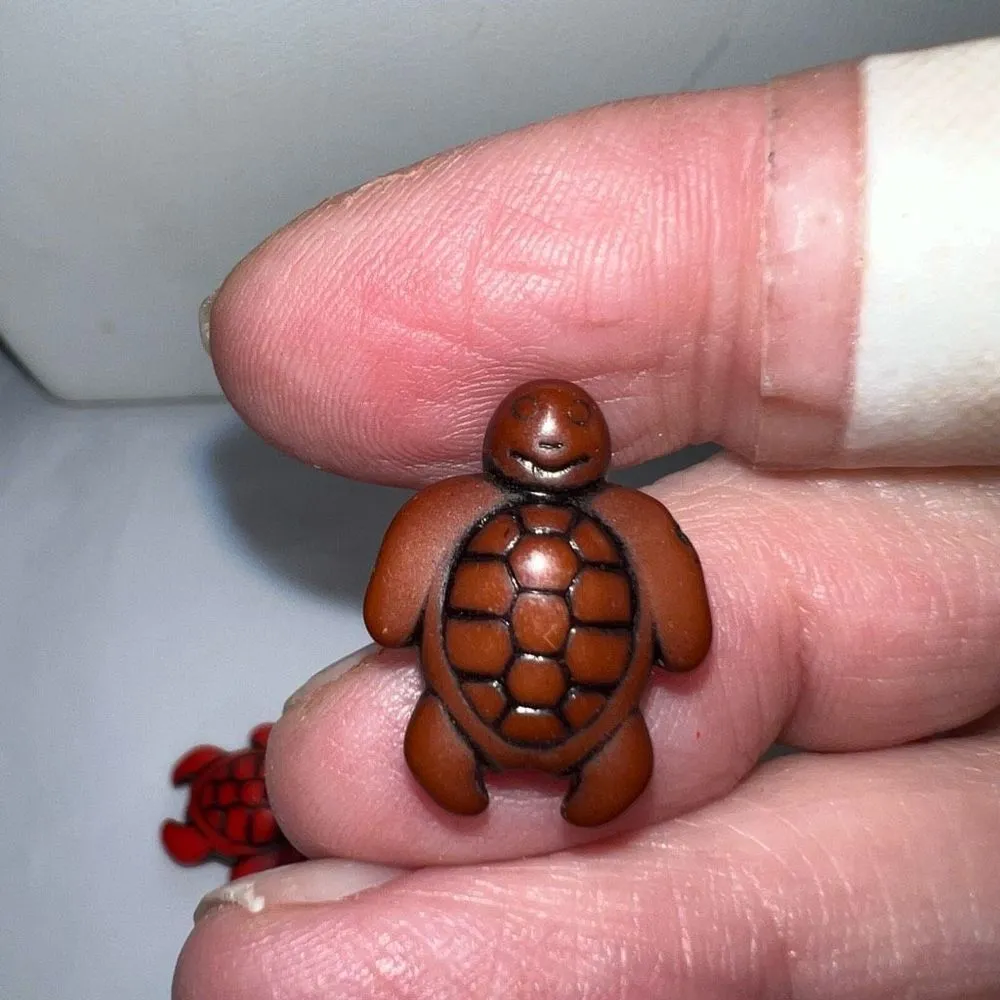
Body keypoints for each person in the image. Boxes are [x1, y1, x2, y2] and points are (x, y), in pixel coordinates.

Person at [176, 37, 1000, 999]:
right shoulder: (483, 510)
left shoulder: (628, 522)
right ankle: (505, 765)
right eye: (536, 423)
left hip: (556, 703)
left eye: (571, 426)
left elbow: (679, 639)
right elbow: (401, 610)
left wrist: (673, 630)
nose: (554, 436)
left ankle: (569, 766)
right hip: (526, 697)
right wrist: (416, 609)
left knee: (597, 762)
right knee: (449, 750)